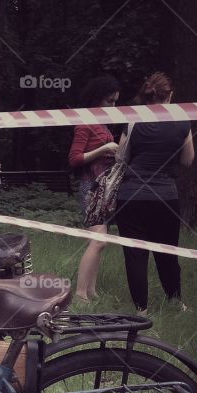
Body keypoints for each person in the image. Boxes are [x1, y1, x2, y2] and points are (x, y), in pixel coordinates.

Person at [113, 72, 194, 314]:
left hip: (130, 196)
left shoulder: (133, 119)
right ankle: (176, 301)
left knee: (135, 255)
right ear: (171, 95)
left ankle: (141, 310)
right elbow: (188, 160)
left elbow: (121, 156)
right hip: (165, 197)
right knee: (168, 252)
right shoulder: (183, 121)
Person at [68, 74, 121, 302]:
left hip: (104, 190)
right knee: (98, 241)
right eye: (110, 101)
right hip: (91, 187)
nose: (113, 106)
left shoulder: (102, 123)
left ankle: (91, 291)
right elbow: (74, 159)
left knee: (100, 243)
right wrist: (103, 149)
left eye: (116, 101)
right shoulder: (85, 122)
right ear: (98, 98)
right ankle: (80, 293)